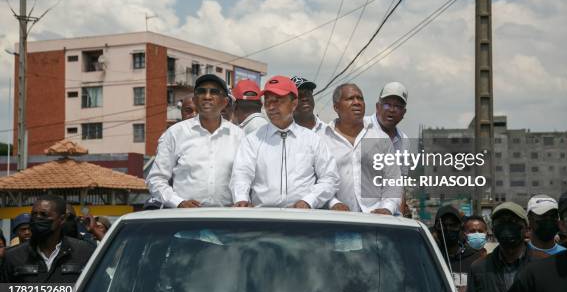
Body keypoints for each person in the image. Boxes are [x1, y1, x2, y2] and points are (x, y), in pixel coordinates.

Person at [230, 75, 339, 208]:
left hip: (303, 219)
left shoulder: (312, 140)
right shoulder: (252, 140)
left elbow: (330, 178)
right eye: (267, 101)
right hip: (262, 219)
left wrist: (309, 201)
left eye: (278, 101)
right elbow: (241, 174)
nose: (271, 107)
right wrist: (241, 198)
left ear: (294, 103)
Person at [147, 74, 244, 208]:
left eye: (214, 92)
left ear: (225, 102)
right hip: (187, 220)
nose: (207, 96)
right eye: (201, 91)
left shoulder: (239, 136)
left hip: (228, 219)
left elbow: (247, 177)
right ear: (195, 99)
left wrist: (242, 200)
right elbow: (156, 179)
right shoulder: (175, 133)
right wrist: (178, 202)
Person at [320, 83, 400, 215]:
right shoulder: (322, 139)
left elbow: (393, 180)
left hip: (375, 220)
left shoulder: (380, 138)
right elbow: (316, 180)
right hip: (334, 219)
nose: (357, 102)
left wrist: (387, 208)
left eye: (360, 98)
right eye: (350, 99)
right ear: (336, 107)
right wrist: (333, 203)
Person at [465, 202, 548, 292]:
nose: (507, 226)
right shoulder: (478, 268)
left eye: (513, 221)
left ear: (526, 229)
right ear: (493, 229)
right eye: (500, 221)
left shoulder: (544, 265)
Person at [0, 195, 95, 284]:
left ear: (62, 219)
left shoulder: (85, 252)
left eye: (44, 214)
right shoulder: (12, 256)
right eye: (34, 214)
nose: (37, 218)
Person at [366, 82, 410, 216]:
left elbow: (399, 184)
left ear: (403, 113)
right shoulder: (362, 128)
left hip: (389, 215)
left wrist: (400, 218)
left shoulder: (404, 141)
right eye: (387, 104)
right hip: (360, 212)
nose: (392, 109)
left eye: (397, 106)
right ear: (378, 107)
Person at [434, 206, 482, 292]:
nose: (448, 229)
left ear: (460, 227)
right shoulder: (430, 257)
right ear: (436, 228)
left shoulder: (475, 258)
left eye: (453, 225)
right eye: (443, 225)